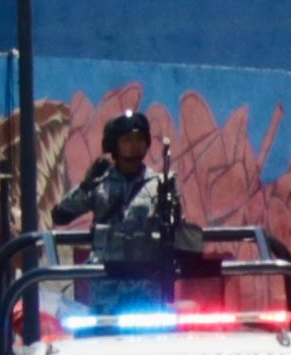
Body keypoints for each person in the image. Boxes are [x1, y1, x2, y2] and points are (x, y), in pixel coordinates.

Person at [53, 110, 190, 273]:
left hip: (146, 280)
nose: (135, 144)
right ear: (114, 144)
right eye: (127, 139)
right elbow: (61, 215)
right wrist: (86, 186)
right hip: (107, 280)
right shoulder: (100, 183)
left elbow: (177, 229)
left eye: (140, 139)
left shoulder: (158, 184)